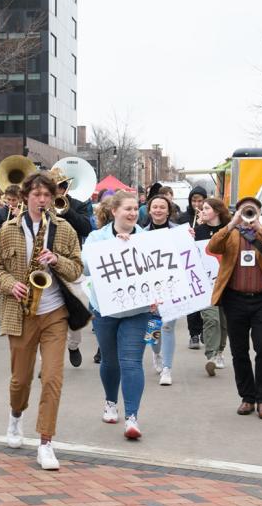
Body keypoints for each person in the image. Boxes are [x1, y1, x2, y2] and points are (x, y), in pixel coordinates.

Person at [0, 171, 82, 470]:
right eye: (37, 195)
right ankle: (16, 416)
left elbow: (78, 268)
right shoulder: (8, 230)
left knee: (53, 379)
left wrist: (57, 260)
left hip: (55, 313)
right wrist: (9, 284)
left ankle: (45, 443)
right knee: (20, 380)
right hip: (21, 312)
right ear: (26, 196)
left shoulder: (64, 229)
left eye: (47, 195)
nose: (42, 200)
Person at [83, 190, 151, 440]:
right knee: (110, 361)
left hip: (137, 310)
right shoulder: (96, 237)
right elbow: (86, 267)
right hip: (106, 309)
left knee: (132, 362)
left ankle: (132, 417)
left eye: (135, 209)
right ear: (114, 212)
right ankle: (111, 402)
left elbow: (158, 271)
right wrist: (115, 247)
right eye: (128, 209)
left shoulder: (147, 238)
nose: (133, 213)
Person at [207, 196, 262, 420]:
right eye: (244, 211)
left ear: (259, 213)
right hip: (235, 300)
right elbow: (212, 246)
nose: (248, 215)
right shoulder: (231, 233)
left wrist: (260, 228)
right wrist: (232, 223)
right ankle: (247, 398)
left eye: (251, 211)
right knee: (239, 351)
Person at [50, 168, 92, 368]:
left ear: (64, 188)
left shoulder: (78, 205)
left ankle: (73, 346)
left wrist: (67, 211)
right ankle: (46, 362)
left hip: (71, 267)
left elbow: (86, 228)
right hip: (46, 266)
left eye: (56, 187)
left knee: (74, 311)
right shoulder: (42, 205)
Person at [143, 194, 179, 386]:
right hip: (150, 288)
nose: (158, 210)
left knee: (168, 326)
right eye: (154, 207)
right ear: (149, 210)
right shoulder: (140, 233)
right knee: (154, 328)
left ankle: (167, 368)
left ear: (168, 210)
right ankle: (156, 354)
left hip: (172, 286)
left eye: (162, 207)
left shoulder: (179, 232)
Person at [195, 198, 230, 376]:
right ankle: (211, 355)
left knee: (224, 322)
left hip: (225, 284)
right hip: (205, 285)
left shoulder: (228, 231)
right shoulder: (198, 231)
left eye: (207, 208)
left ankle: (219, 352)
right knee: (211, 319)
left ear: (216, 211)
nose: (203, 211)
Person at [179, 186, 208, 349]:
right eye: (194, 200)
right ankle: (194, 334)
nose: (197, 203)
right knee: (193, 300)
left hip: (205, 263)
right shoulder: (184, 217)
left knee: (206, 300)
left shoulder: (209, 216)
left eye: (200, 200)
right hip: (188, 263)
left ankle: (205, 330)